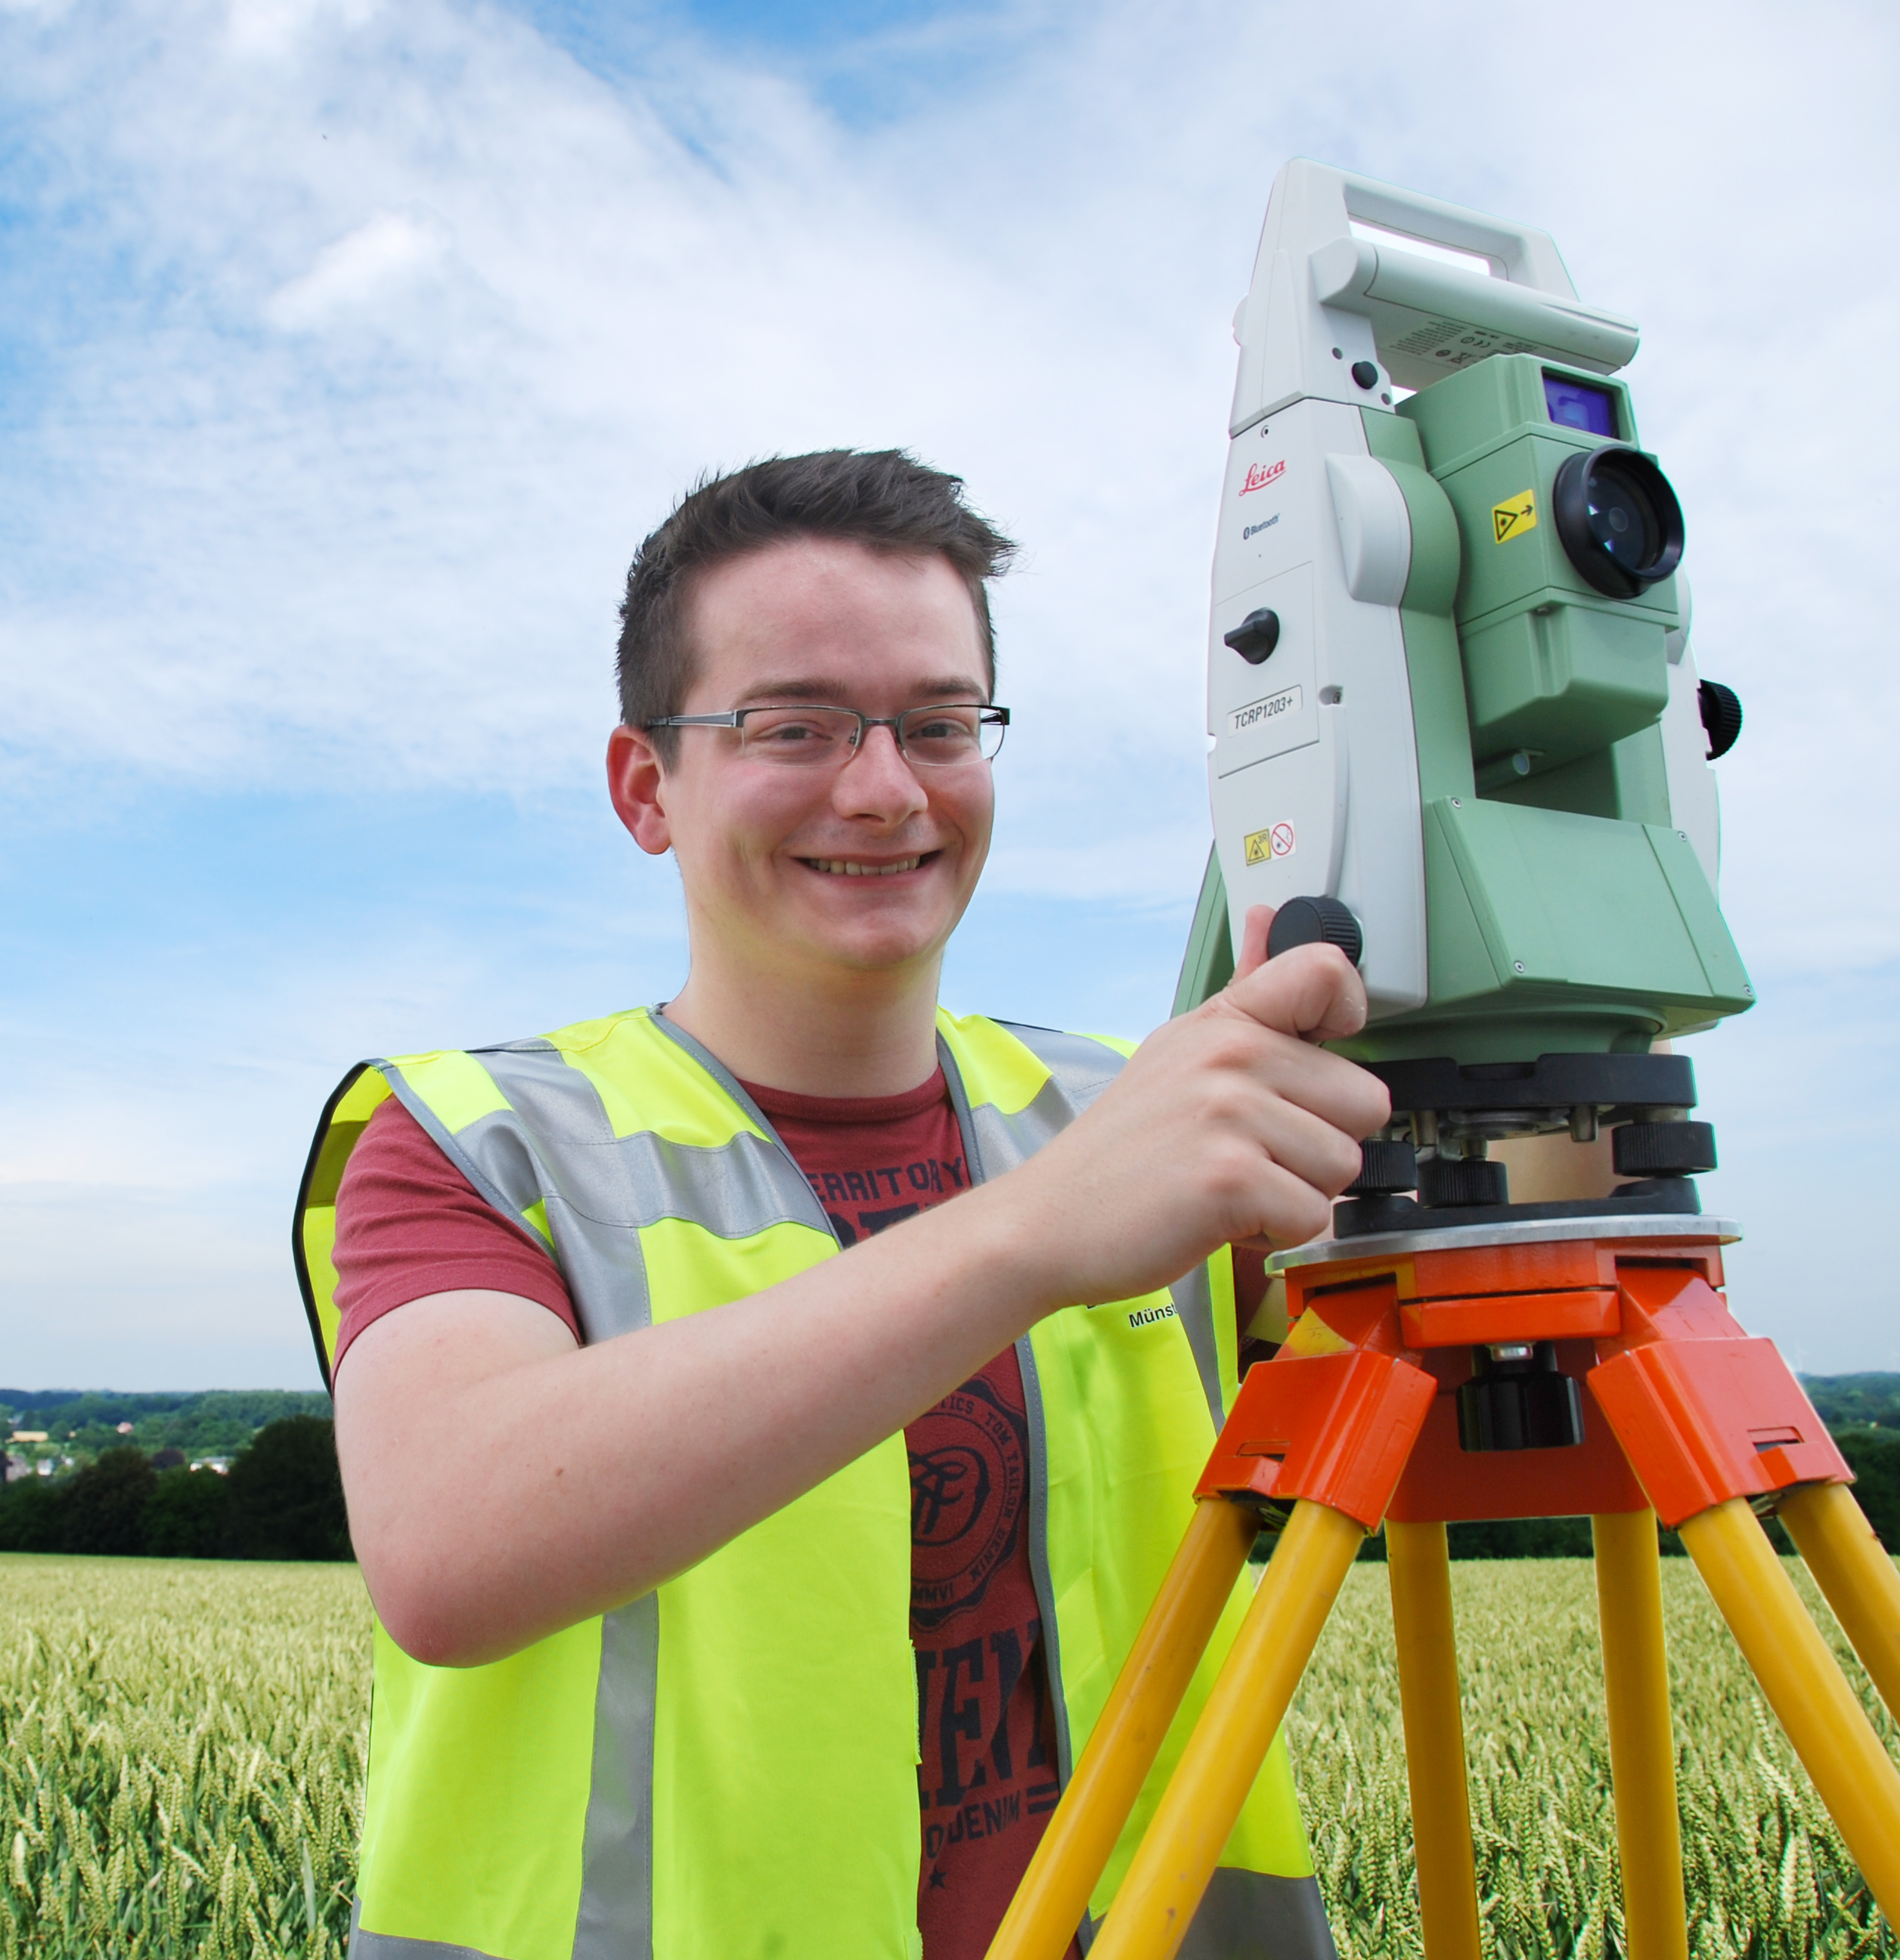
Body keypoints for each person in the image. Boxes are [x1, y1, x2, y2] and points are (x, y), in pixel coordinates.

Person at [292, 449, 1389, 1960]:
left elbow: (1466, 1453)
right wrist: (1027, 1237)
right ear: (644, 787)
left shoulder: (1135, 1112)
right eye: (790, 726)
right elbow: (446, 1549)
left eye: (939, 724)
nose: (882, 790)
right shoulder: (482, 1142)